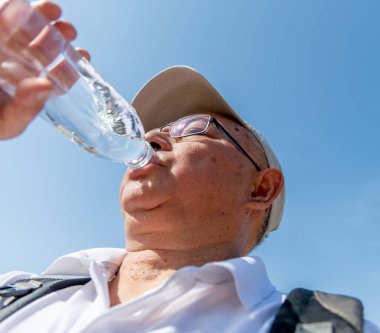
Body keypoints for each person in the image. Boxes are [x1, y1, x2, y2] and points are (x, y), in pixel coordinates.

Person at [0, 2, 378, 333]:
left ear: (261, 189)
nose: (152, 139)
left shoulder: (330, 325)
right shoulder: (16, 293)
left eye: (193, 129)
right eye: (155, 131)